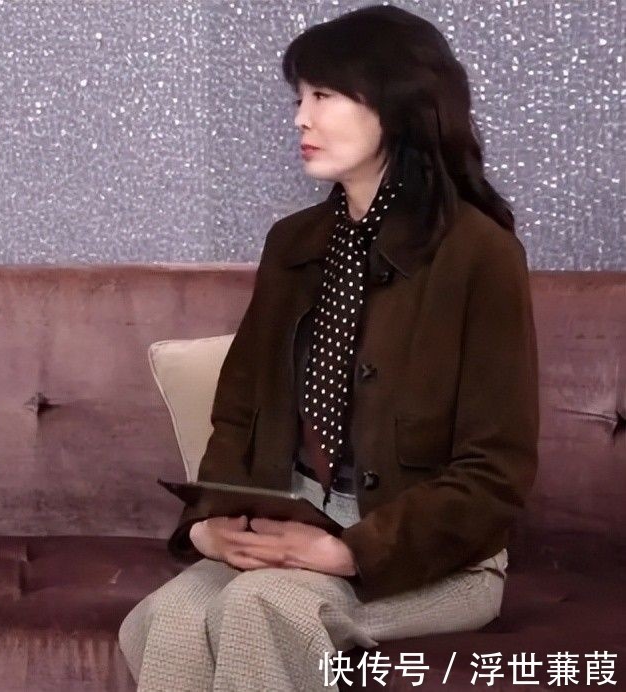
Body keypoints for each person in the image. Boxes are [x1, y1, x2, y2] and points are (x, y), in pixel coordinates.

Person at [119, 6, 538, 690]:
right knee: (166, 617)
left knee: (260, 608)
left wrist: (349, 550)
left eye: (324, 96)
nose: (301, 119)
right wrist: (209, 525)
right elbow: (240, 413)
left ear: (398, 105)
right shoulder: (293, 243)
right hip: (292, 521)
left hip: (435, 555)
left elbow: (497, 470)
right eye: (298, 99)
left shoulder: (479, 254)